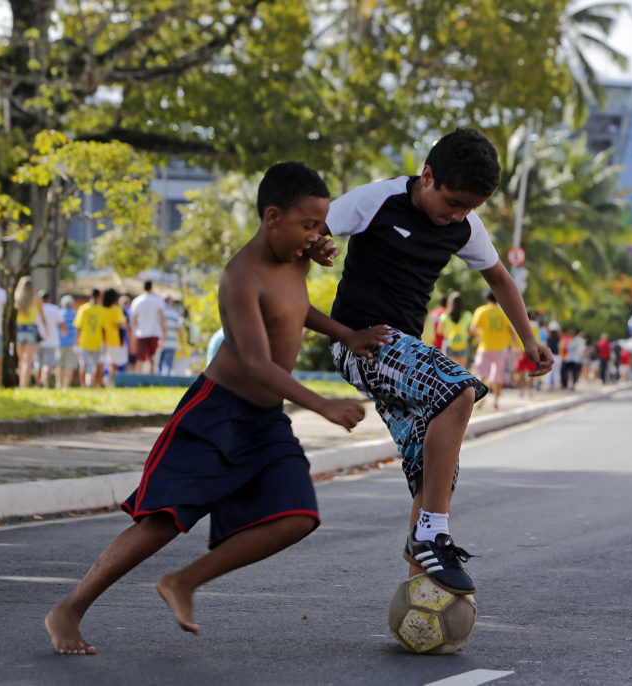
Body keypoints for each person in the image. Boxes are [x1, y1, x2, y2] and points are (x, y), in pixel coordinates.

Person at [44, 161, 390, 656]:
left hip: (265, 421)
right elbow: (255, 361)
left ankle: (184, 582)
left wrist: (347, 334)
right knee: (161, 520)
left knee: (297, 516)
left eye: (321, 225)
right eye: (308, 225)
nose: (318, 237)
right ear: (272, 216)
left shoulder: (295, 256)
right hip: (216, 413)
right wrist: (321, 405)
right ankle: (69, 609)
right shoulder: (240, 276)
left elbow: (294, 309)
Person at [322, 128, 553, 595]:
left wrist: (529, 340)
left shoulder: (465, 225)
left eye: (470, 209)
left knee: (431, 473)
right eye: (452, 204)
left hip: (401, 352)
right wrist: (316, 245)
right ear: (427, 176)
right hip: (359, 344)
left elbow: (501, 279)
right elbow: (306, 229)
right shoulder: (377, 200)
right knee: (458, 387)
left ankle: (416, 595)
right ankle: (433, 532)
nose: (457, 217)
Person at [470, 290, 514, 409]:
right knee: (498, 375)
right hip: (500, 348)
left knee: (480, 373)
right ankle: (495, 401)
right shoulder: (503, 312)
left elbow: (473, 329)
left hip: (484, 347)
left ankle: (479, 399)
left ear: (487, 299)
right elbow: (511, 331)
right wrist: (515, 346)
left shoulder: (481, 311)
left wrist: (482, 332)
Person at [14, 276, 46, 389]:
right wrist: (46, 330)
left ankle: (20, 384)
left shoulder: (17, 299)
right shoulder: (37, 299)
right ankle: (24, 385)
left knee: (21, 359)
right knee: (28, 360)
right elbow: (42, 317)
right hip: (32, 329)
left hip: (20, 329)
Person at [130, 280, 167, 374]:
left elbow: (134, 320)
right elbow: (162, 318)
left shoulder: (137, 301)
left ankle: (137, 378)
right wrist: (165, 332)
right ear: (151, 287)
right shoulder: (158, 300)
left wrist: (134, 334)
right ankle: (151, 379)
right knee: (152, 358)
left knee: (140, 358)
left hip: (141, 333)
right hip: (155, 333)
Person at [74, 289, 106, 388]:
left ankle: (83, 386)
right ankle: (97, 385)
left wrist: (77, 341)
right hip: (97, 341)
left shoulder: (83, 309)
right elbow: (103, 329)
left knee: (83, 365)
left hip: (84, 341)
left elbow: (78, 327)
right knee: (98, 366)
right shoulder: (102, 310)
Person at [37, 291, 67, 388]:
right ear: (49, 299)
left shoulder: (36, 309)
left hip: (37, 340)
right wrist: (64, 332)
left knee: (38, 364)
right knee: (48, 364)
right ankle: (43, 380)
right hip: (51, 341)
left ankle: (38, 384)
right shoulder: (54, 309)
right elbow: (61, 324)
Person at [101, 288, 128, 386]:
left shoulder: (101, 309)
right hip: (113, 339)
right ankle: (112, 383)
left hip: (100, 339)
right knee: (113, 364)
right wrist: (124, 321)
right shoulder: (117, 310)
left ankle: (98, 383)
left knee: (100, 363)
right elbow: (119, 324)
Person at [440, 291, 473, 367]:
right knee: (462, 371)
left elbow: (439, 331)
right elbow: (470, 331)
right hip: (463, 344)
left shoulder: (445, 316)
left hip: (449, 344)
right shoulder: (467, 315)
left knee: (449, 370)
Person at [57, 295, 79, 389]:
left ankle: (58, 384)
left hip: (59, 343)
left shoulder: (59, 313)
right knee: (69, 367)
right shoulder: (75, 314)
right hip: (72, 344)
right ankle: (65, 386)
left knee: (59, 365)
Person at [158, 296, 184, 375]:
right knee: (168, 364)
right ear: (171, 302)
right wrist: (182, 344)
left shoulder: (160, 311)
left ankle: (158, 380)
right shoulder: (175, 312)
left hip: (160, 341)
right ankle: (166, 380)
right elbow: (179, 329)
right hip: (172, 342)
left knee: (159, 363)